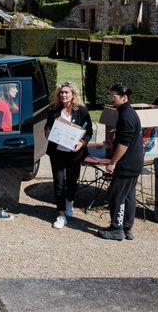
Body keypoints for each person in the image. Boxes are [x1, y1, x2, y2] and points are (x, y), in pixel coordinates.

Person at [98, 83, 143, 241]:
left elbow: (124, 145)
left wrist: (113, 162)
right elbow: (125, 139)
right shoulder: (127, 112)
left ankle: (117, 229)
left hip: (126, 163)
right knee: (128, 196)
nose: (111, 99)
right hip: (134, 163)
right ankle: (127, 228)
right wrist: (114, 142)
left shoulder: (126, 116)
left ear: (124, 98)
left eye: (114, 96)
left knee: (116, 195)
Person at [45, 81, 93, 229]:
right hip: (57, 153)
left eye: (66, 92)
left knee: (72, 182)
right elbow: (47, 127)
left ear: (73, 95)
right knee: (59, 184)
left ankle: (70, 202)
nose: (63, 95)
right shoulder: (54, 110)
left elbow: (89, 131)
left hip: (74, 154)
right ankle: (61, 215)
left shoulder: (82, 110)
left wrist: (82, 143)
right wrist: (47, 132)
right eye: (61, 92)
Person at [0, 83, 20, 221]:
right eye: (14, 88)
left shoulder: (3, 102)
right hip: (3, 143)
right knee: (1, 177)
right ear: (7, 89)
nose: (17, 90)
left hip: (4, 141)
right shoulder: (1, 105)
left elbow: (18, 109)